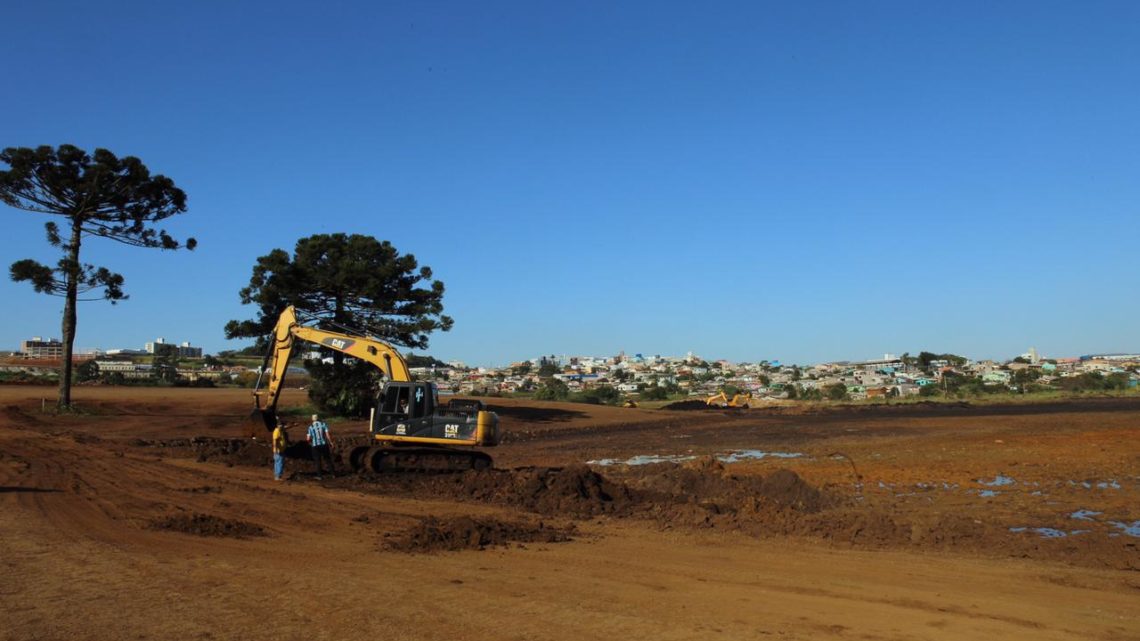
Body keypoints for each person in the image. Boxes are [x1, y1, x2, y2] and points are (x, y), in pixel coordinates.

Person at [307, 413, 335, 479]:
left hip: (315, 445)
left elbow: (308, 439)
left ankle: (320, 476)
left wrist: (311, 443)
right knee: (328, 459)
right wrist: (331, 442)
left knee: (317, 461)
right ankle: (333, 474)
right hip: (324, 444)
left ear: (312, 419)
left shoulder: (310, 427)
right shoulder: (323, 424)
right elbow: (327, 435)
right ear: (318, 418)